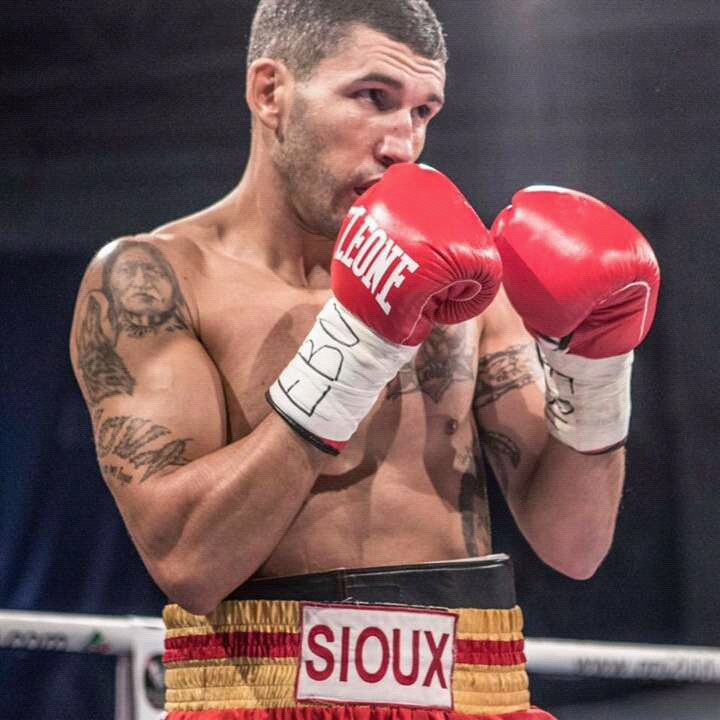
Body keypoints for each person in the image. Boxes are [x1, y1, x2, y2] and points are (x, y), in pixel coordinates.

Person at [69, 1, 660, 718]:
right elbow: (188, 564)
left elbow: (575, 546)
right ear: (270, 92)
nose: (402, 144)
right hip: (263, 696)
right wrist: (356, 348)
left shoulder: (468, 287)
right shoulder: (156, 281)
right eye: (374, 97)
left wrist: (597, 369)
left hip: (477, 690)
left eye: (423, 111)